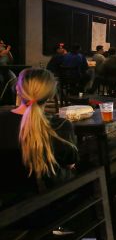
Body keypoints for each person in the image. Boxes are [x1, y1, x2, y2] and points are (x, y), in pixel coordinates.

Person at [0, 68, 79, 201]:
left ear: (18, 90)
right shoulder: (62, 126)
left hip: (6, 207)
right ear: (49, 95)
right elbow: (70, 163)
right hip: (51, 205)